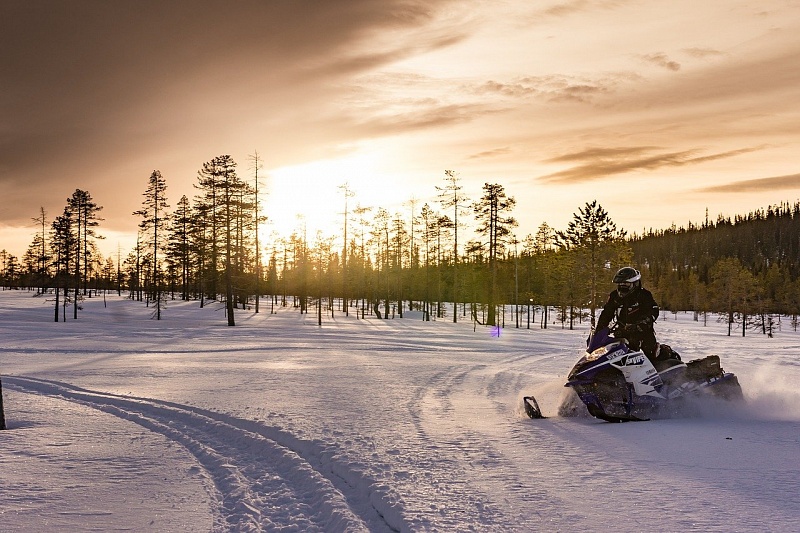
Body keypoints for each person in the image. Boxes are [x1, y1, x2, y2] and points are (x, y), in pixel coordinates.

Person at [595, 266, 669, 362]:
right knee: (612, 354)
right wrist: (599, 331)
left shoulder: (644, 295)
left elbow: (653, 310)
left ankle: (665, 358)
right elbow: (606, 313)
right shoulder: (614, 296)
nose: (622, 286)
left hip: (642, 331)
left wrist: (644, 322)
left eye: (626, 284)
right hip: (622, 332)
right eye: (620, 284)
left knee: (652, 353)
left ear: (634, 283)